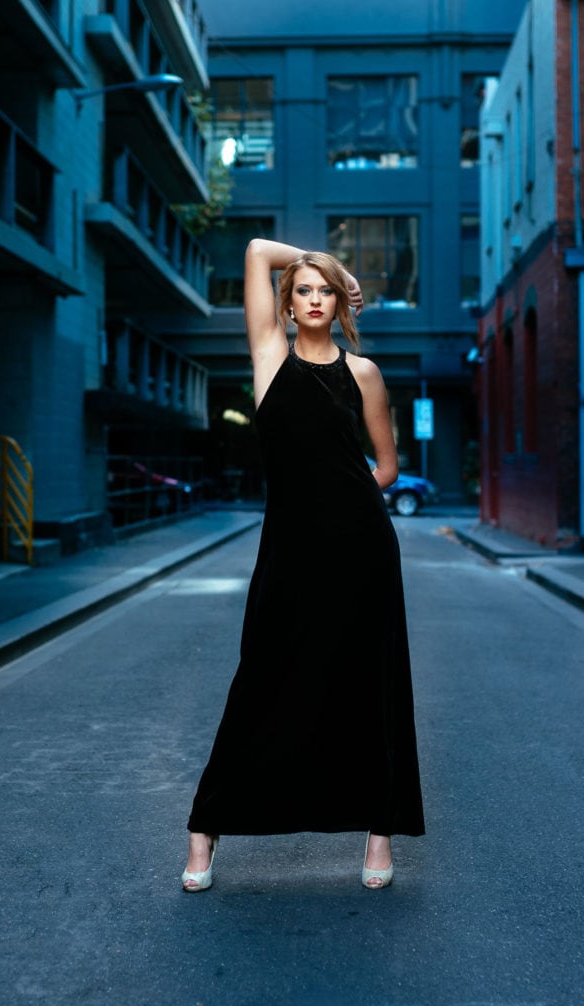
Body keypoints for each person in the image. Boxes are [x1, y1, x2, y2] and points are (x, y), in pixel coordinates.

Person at [182, 238, 425, 892]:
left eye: (325, 291)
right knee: (262, 678)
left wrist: (344, 501)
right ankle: (204, 830)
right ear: (287, 306)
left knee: (369, 683)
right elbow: (257, 249)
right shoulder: (268, 358)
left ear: (334, 305)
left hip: (361, 547)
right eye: (304, 291)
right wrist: (331, 262)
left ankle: (379, 833)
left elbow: (387, 467)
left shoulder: (365, 373)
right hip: (288, 548)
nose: (314, 300)